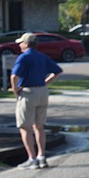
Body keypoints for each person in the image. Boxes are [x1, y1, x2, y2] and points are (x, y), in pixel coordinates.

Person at [9, 33, 62, 169]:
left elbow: (14, 76)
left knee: (25, 127)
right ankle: (41, 156)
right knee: (39, 126)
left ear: (26, 44)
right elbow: (57, 71)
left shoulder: (24, 57)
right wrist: (45, 82)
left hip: (28, 92)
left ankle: (32, 159)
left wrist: (16, 90)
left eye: (21, 43)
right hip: (42, 91)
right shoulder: (41, 56)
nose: (19, 45)